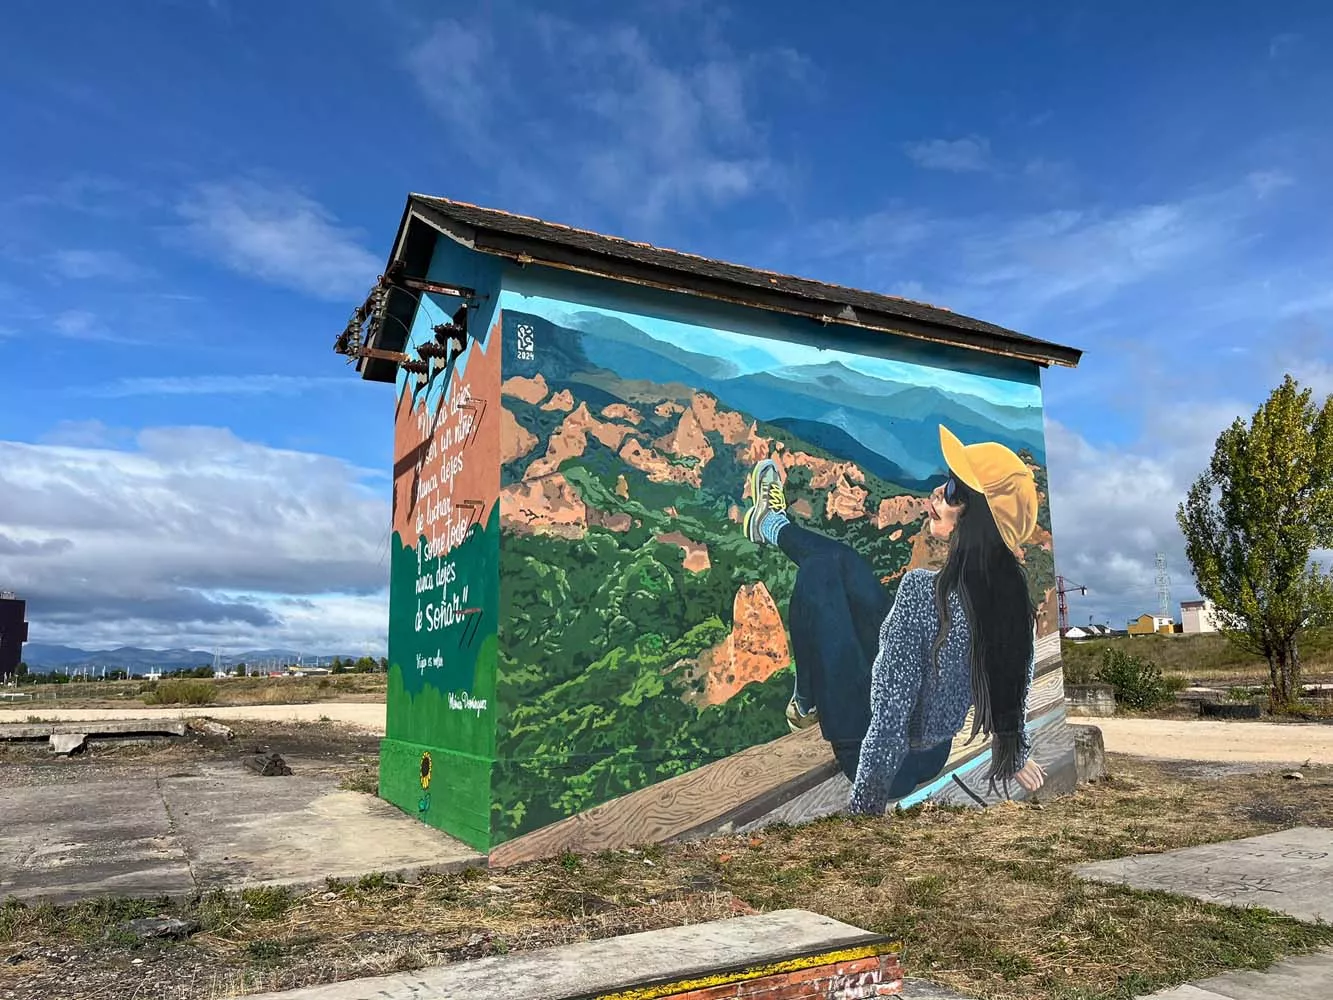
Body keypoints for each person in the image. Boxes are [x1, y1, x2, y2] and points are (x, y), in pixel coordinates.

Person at [742, 425, 1047, 815]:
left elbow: (890, 718)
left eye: (954, 491)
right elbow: (1012, 684)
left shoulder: (923, 593)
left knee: (818, 575)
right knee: (843, 562)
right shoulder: (1010, 605)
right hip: (931, 754)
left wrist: (865, 811)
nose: (938, 491)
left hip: (871, 752)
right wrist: (1015, 754)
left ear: (977, 521)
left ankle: (805, 702)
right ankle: (771, 526)